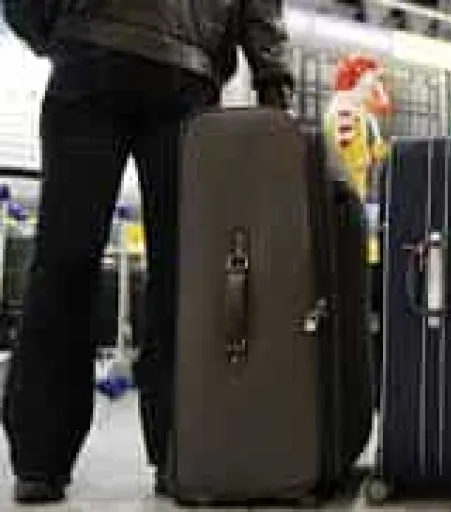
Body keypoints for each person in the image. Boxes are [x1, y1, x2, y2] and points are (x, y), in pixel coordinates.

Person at [2, 0, 293, 504]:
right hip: (186, 74)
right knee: (183, 274)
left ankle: (41, 459)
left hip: (92, 54)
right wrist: (272, 80)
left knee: (65, 260)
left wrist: (53, 30)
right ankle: (179, 449)